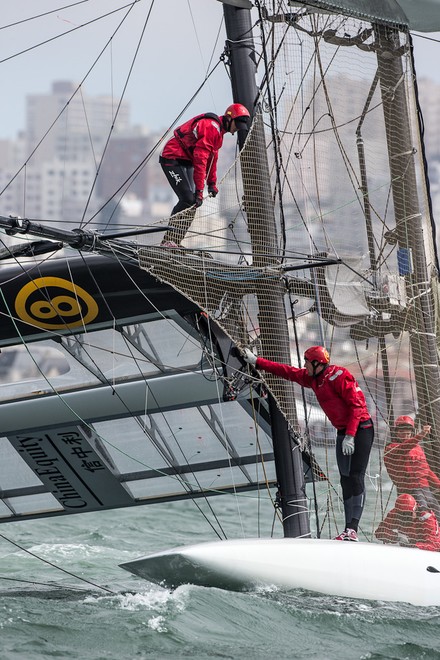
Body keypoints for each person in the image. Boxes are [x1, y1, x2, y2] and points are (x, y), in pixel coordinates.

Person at [243, 345, 374, 541]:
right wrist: (257, 362)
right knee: (345, 479)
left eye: (306, 361)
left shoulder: (340, 376)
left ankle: (352, 529)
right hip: (342, 432)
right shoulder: (313, 379)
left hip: (361, 429)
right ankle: (348, 530)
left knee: (355, 477)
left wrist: (350, 435)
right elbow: (287, 372)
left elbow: (357, 406)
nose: (304, 365)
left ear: (317, 363)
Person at [159, 103, 250, 247]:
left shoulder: (219, 134)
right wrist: (200, 191)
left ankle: (175, 241)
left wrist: (211, 183)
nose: (237, 128)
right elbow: (201, 160)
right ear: (228, 118)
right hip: (171, 158)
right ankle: (167, 241)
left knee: (192, 203)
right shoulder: (211, 127)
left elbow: (212, 160)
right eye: (237, 125)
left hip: (186, 162)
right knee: (188, 199)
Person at [384, 415, 440, 520]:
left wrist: (438, 485)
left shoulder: (417, 448)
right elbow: (405, 447)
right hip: (408, 489)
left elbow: (426, 470)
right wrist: (421, 434)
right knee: (421, 509)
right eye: (402, 432)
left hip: (424, 488)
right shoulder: (391, 448)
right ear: (396, 432)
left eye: (408, 432)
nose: (405, 434)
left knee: (436, 508)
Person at [375, 493, 440, 551]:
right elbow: (380, 532)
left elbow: (435, 545)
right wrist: (397, 537)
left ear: (415, 510)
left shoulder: (427, 519)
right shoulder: (394, 514)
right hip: (408, 549)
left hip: (426, 551)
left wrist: (414, 545)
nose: (404, 517)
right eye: (401, 514)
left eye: (407, 514)